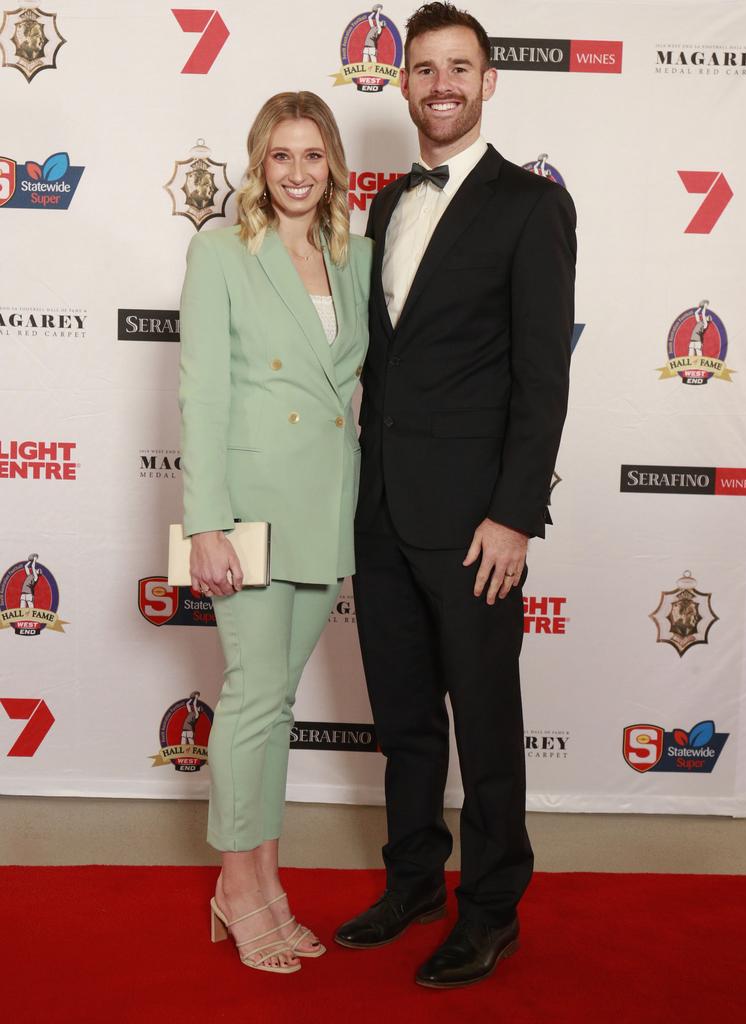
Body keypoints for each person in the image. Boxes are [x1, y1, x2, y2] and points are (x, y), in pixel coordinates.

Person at [334, 3, 576, 989]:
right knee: (403, 718)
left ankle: (491, 909)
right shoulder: (387, 206)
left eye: (458, 67)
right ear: (401, 85)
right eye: (423, 67)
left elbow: (541, 378)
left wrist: (516, 513)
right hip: (382, 509)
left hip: (477, 521)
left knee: (482, 718)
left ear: (487, 82)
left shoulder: (530, 205)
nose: (440, 83)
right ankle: (414, 882)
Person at [178, 91, 371, 975]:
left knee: (279, 703)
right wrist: (207, 523)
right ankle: (236, 886)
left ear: (334, 165)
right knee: (254, 697)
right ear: (259, 164)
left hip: (327, 504)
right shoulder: (221, 252)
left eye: (314, 155)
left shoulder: (354, 255)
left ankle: (268, 882)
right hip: (250, 511)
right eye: (281, 155)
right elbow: (204, 394)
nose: (298, 172)